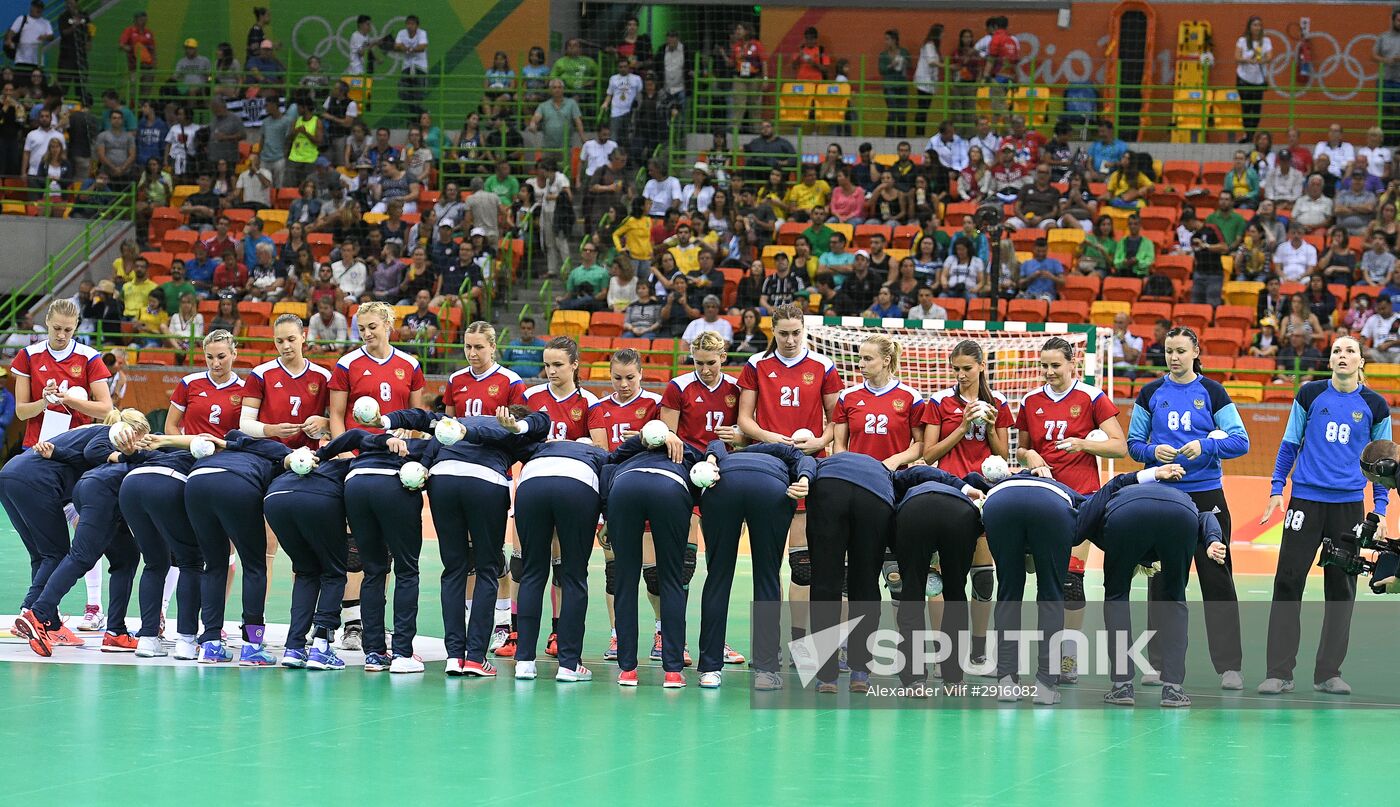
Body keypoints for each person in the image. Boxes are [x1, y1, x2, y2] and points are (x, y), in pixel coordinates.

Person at [1260, 335, 1389, 695]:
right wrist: (1275, 489)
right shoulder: (1310, 395)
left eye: (1350, 351)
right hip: (1305, 501)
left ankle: (1328, 673)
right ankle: (1279, 672)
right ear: (1329, 361)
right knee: (1287, 581)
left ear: (1361, 361)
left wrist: (1379, 510)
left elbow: (1382, 464)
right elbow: (1289, 444)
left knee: (1341, 588)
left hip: (1348, 506)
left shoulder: (1376, 406)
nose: (1342, 355)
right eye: (1336, 351)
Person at [1128, 326, 1250, 690]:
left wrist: (1207, 447)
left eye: (1181, 351)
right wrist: (1152, 454)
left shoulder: (1213, 392)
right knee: (1163, 581)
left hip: (1207, 499)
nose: (1174, 358)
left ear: (1196, 351)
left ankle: (1229, 666)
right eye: (1169, 352)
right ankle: (1160, 664)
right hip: (1164, 499)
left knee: (1216, 578)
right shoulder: (1150, 393)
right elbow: (1134, 444)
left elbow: (1240, 441)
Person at [1015, 336, 1127, 683]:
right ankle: (1046, 650)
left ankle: (1068, 656)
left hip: (1082, 498)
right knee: (1044, 579)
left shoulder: (1092, 397)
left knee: (1071, 581)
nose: (1049, 372)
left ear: (1072, 364)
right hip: (1042, 497)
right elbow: (1021, 449)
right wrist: (1030, 456)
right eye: (1044, 366)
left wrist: (1083, 444)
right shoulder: (1030, 401)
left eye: (1055, 366)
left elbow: (1119, 447)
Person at [737, 304, 842, 646]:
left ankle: (799, 639)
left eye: (796, 332)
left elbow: (836, 421)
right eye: (783, 333)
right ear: (773, 331)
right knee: (768, 563)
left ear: (804, 330)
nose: (791, 339)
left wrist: (818, 442)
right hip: (766, 466)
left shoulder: (823, 366)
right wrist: (772, 439)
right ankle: (769, 641)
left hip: (807, 468)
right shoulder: (757, 365)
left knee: (803, 565)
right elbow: (745, 420)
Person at [1077, 464, 1222, 707]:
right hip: (1180, 515)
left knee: (1116, 597)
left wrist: (1128, 556)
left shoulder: (1105, 503)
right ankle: (1173, 688)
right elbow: (1207, 516)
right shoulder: (1179, 498)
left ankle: (1122, 686)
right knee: (1175, 600)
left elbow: (1084, 529)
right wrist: (1212, 540)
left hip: (1127, 516)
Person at [14, 411, 155, 657]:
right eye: (140, 436)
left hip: (76, 490)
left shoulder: (93, 436)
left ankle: (115, 632)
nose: (141, 443)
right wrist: (125, 455)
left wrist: (57, 452)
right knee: (74, 555)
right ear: (126, 430)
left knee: (127, 556)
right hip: (90, 494)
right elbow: (93, 453)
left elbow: (82, 457)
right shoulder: (109, 435)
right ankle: (38, 612)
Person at [697, 438, 814, 690]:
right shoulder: (786, 453)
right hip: (769, 489)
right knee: (767, 578)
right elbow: (806, 460)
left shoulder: (731, 453)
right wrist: (804, 479)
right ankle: (765, 670)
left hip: (723, 486)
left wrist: (710, 460)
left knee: (717, 577)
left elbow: (715, 443)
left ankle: (709, 669)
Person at [10, 299, 113, 450]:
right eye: (57, 328)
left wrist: (69, 400)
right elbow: (21, 412)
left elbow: (106, 410)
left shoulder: (89, 356)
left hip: (77, 445)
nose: (61, 335)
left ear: (76, 326)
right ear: (47, 321)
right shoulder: (28, 355)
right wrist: (44, 402)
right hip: (37, 444)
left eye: (68, 330)